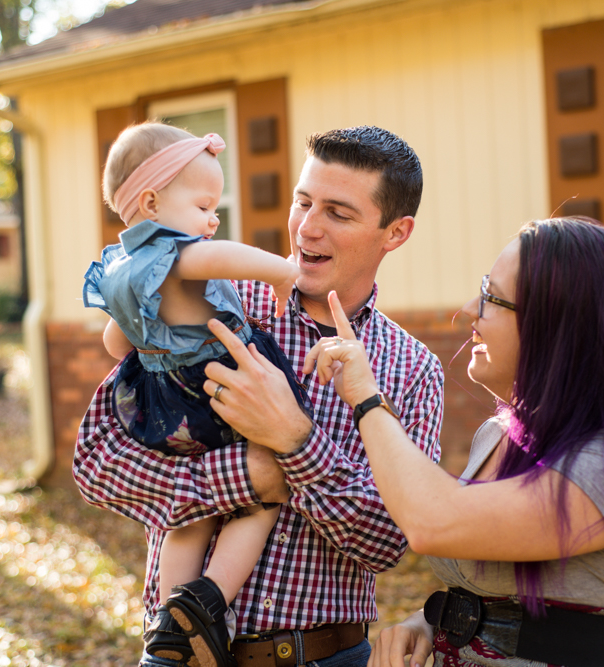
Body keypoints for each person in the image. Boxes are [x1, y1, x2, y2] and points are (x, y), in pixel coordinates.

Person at [74, 125, 445, 667]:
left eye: (338, 214)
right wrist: (244, 478)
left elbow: (387, 542)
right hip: (178, 658)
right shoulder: (210, 299)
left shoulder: (412, 369)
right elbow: (96, 465)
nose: (307, 229)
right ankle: (188, 616)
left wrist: (296, 444)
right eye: (303, 202)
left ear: (396, 232)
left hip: (326, 657)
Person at [289, 217, 604, 667]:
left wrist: (366, 398)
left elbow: (433, 520)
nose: (470, 308)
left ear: (558, 327)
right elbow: (504, 594)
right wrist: (433, 623)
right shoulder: (496, 435)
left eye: (492, 297)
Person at [80, 121, 314, 667]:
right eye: (204, 204)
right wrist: (282, 271)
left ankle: (170, 632)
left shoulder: (121, 269)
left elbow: (117, 343)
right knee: (262, 500)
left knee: (185, 518)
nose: (212, 219)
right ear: (152, 200)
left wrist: (159, 346)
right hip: (219, 393)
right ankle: (209, 600)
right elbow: (222, 257)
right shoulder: (179, 255)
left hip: (163, 407)